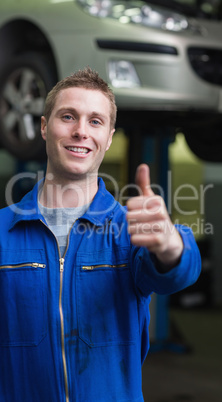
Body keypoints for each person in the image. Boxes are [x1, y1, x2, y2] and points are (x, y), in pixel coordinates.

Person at [0, 67, 201, 402]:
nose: (81, 131)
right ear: (44, 127)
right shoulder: (3, 232)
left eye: (95, 121)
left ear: (108, 137)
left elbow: (177, 274)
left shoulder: (126, 233)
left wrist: (170, 245)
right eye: (68, 116)